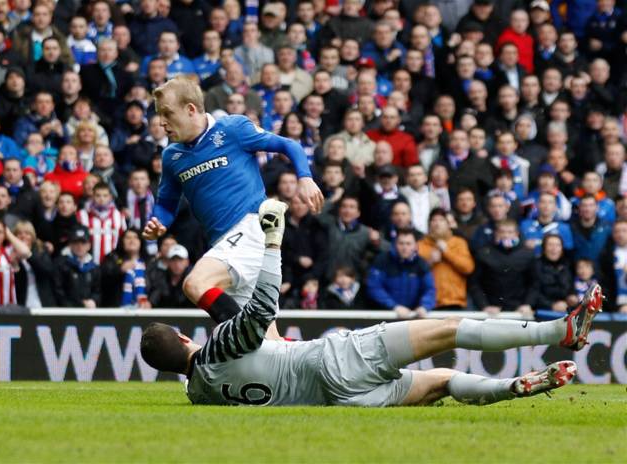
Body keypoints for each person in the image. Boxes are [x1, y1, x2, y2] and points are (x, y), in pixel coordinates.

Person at [140, 200, 602, 407]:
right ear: (183, 337)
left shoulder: (199, 394)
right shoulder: (218, 346)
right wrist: (273, 244)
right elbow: (260, 312)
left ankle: (511, 387)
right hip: (334, 362)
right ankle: (558, 331)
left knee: (441, 382)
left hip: (341, 402)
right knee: (448, 330)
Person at [142, 76, 322, 327]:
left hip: (251, 229)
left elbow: (288, 145)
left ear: (191, 109)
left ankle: (237, 335)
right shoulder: (172, 156)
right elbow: (166, 204)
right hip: (223, 244)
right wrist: (158, 222)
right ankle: (329, 352)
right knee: (266, 342)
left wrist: (305, 178)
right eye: (159, 115)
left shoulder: (232, 129)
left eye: (167, 113)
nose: (161, 122)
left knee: (195, 283)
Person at [366, 228, 436, 318]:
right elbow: (374, 287)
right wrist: (394, 306)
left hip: (413, 316)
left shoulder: (421, 264)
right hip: (385, 315)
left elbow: (429, 289)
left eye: (408, 244)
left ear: (415, 245)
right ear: (395, 244)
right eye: (401, 243)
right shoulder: (382, 260)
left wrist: (424, 306)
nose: (404, 247)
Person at [418, 209, 475, 309]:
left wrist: (446, 251)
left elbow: (468, 268)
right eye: (433, 220)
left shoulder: (459, 243)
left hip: (455, 302)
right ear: (429, 224)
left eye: (441, 220)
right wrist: (430, 262)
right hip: (429, 304)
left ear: (448, 224)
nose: (437, 223)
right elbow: (414, 272)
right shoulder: (421, 245)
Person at [53, 225, 101, 308]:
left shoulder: (94, 267)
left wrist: (93, 300)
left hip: (89, 311)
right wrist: (79, 304)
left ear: (89, 245)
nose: (80, 246)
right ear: (70, 244)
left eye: (83, 242)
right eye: (76, 242)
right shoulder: (60, 264)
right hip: (66, 311)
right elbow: (58, 291)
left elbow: (97, 290)